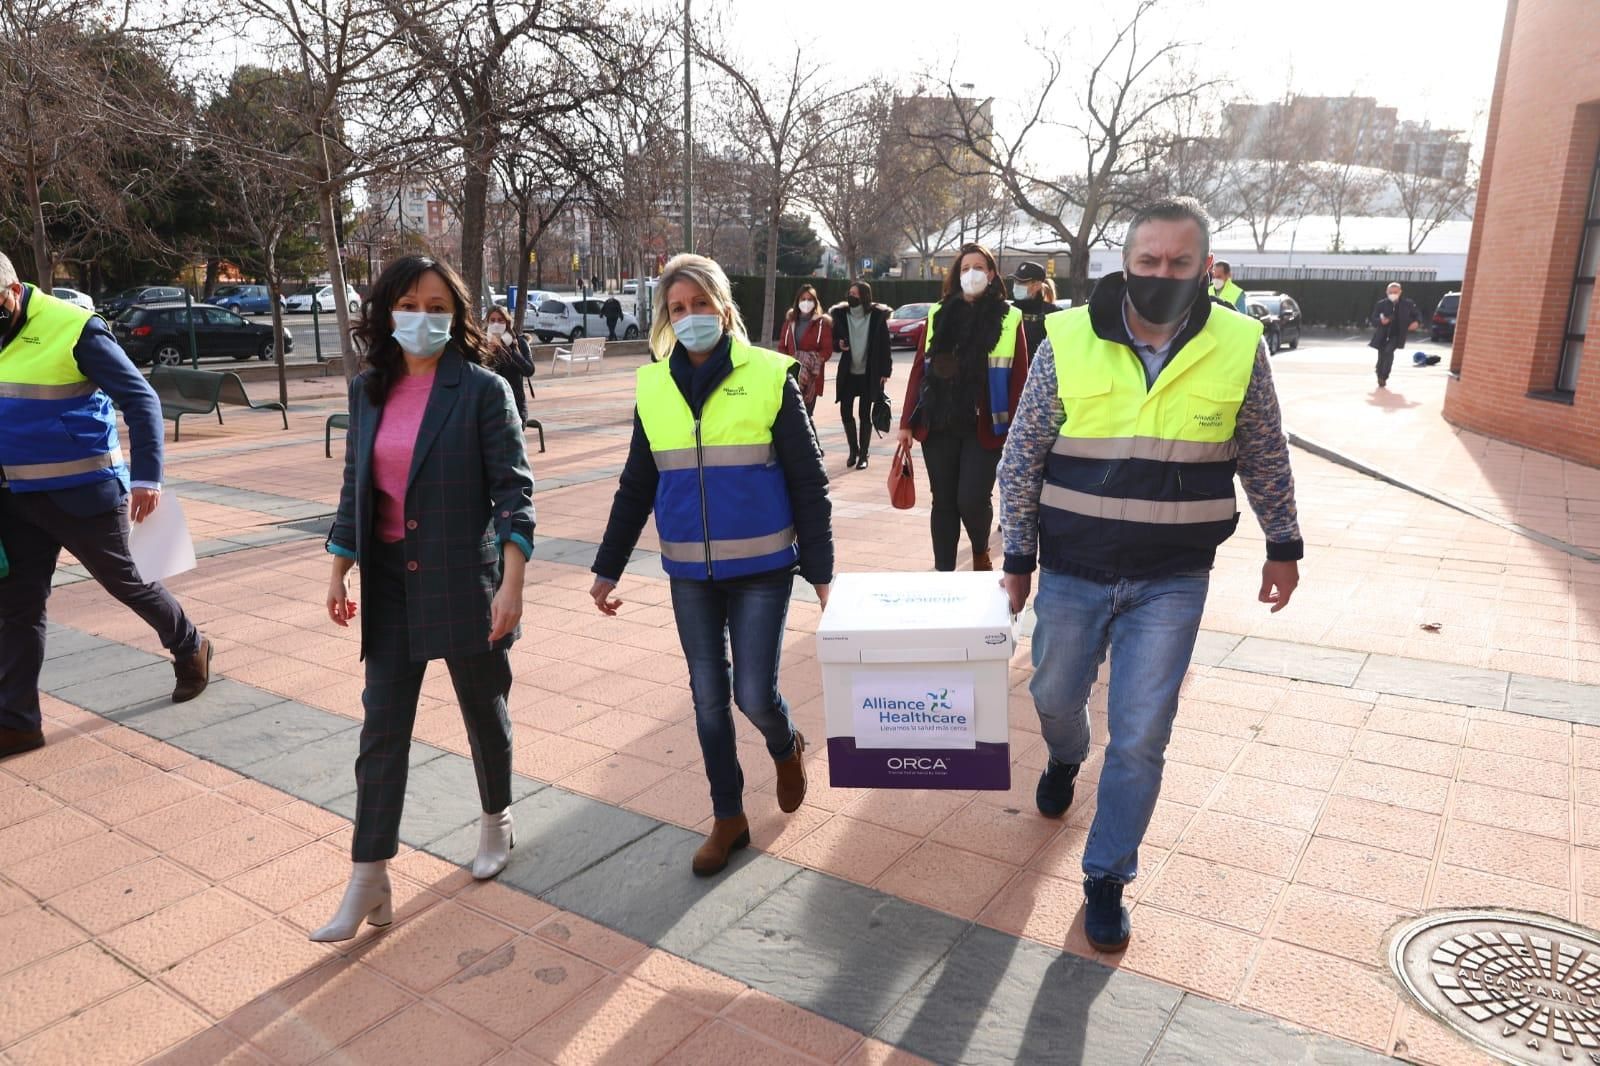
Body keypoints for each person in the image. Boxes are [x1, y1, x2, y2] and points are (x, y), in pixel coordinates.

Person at [997, 197, 1302, 953]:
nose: (1162, 274)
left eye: (1179, 263)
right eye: (1148, 262)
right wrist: (1018, 557)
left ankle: (1107, 876)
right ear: (1124, 264)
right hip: (1072, 569)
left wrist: (1283, 541)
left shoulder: (1239, 344)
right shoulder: (1065, 338)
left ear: (1204, 268)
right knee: (1053, 693)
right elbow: (1022, 458)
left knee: (1140, 737)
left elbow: (1264, 450)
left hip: (1172, 577)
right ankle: (1067, 756)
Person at [589, 253, 832, 877]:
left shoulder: (771, 375)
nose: (690, 317)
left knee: (753, 692)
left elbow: (809, 481)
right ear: (666, 320)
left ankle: (786, 744)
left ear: (724, 309)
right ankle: (728, 816)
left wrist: (822, 571)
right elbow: (636, 484)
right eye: (678, 308)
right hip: (689, 574)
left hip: (762, 568)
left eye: (700, 305)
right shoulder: (653, 387)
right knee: (706, 697)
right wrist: (607, 566)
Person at [317, 255, 535, 942]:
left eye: (437, 306)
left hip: (461, 581)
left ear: (457, 315)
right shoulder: (368, 390)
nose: (422, 317)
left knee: (481, 708)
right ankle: (369, 875)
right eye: (409, 304)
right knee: (381, 732)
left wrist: (511, 584)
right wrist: (339, 565)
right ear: (386, 311)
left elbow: (514, 495)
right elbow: (356, 486)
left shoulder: (480, 390)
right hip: (388, 585)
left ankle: (497, 818)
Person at [0, 255, 212, 761]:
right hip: (12, 498)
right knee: (16, 609)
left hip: (83, 493)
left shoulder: (73, 327)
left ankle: (189, 645)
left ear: (10, 291)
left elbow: (141, 400)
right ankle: (18, 723)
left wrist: (147, 478)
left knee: (129, 583)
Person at [897, 244, 1030, 572]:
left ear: (991, 274)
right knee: (943, 502)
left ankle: (980, 549)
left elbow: (1019, 378)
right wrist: (905, 423)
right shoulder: (937, 313)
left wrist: (1019, 430)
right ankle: (944, 572)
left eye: (979, 267)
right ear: (957, 274)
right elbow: (919, 368)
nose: (972, 273)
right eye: (965, 267)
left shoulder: (1010, 317)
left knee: (971, 499)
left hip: (986, 425)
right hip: (938, 422)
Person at [830, 282, 893, 471]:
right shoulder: (841, 315)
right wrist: (838, 344)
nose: (851, 296)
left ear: (865, 296)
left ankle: (864, 455)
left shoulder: (876, 317)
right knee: (845, 411)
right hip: (848, 373)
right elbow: (834, 340)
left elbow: (885, 346)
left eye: (855, 294)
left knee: (864, 414)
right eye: (849, 293)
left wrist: (885, 372)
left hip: (868, 374)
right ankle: (853, 450)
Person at [776, 284, 833, 417]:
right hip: (792, 373)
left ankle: (810, 438)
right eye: (803, 299)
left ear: (815, 302)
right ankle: (809, 438)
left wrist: (810, 360)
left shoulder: (822, 324)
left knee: (806, 415)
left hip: (812, 378)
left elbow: (827, 350)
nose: (806, 303)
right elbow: (782, 346)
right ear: (798, 301)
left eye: (810, 299)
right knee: (793, 415)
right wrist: (792, 360)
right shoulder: (790, 322)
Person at [484, 306, 536, 425]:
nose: (496, 324)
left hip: (514, 408)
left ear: (507, 323)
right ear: (487, 323)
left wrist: (509, 350)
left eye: (500, 320)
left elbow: (529, 370)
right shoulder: (481, 344)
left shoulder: (519, 342)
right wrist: (488, 353)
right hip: (488, 407)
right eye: (492, 320)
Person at [1369, 281, 1420, 388]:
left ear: (1400, 292)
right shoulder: (1381, 304)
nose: (1393, 294)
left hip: (1397, 334)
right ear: (1387, 292)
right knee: (1382, 355)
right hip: (1382, 334)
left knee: (1388, 351)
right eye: (1391, 292)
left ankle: (1384, 376)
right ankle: (1379, 372)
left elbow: (1417, 315)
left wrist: (1416, 322)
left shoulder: (1407, 304)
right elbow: (1373, 319)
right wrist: (1380, 321)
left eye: (1395, 292)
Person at [1010, 261, 1061, 355]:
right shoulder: (1008, 311)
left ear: (1037, 285)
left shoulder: (1053, 314)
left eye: (1022, 282)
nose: (1017, 285)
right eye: (1015, 281)